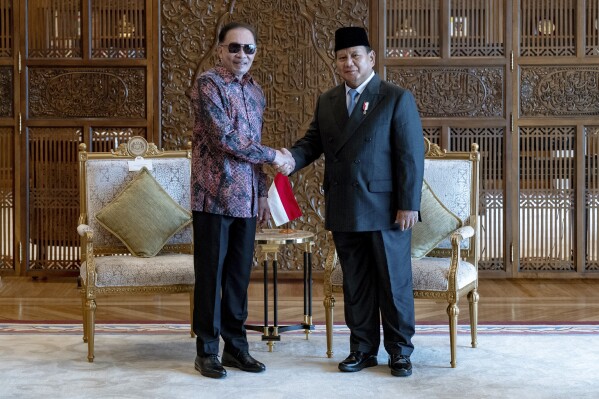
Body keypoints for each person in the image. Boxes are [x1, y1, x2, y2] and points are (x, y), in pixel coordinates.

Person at [281, 26, 424, 377]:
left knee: (394, 284)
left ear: (370, 58)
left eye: (355, 56)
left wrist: (409, 203)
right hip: (344, 204)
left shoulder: (394, 97)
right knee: (356, 284)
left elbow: (410, 156)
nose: (349, 63)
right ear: (336, 62)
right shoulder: (328, 101)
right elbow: (312, 143)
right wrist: (290, 159)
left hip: (386, 209)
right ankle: (362, 349)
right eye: (342, 57)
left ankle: (400, 351)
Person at [189, 21, 294, 379]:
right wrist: (273, 155)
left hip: (247, 200)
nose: (241, 55)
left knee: (237, 277)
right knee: (210, 276)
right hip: (213, 198)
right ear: (220, 49)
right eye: (234, 47)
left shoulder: (256, 92)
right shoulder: (208, 85)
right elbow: (226, 140)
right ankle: (206, 350)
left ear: (255, 53)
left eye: (248, 49)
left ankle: (236, 347)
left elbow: (251, 149)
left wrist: (263, 192)